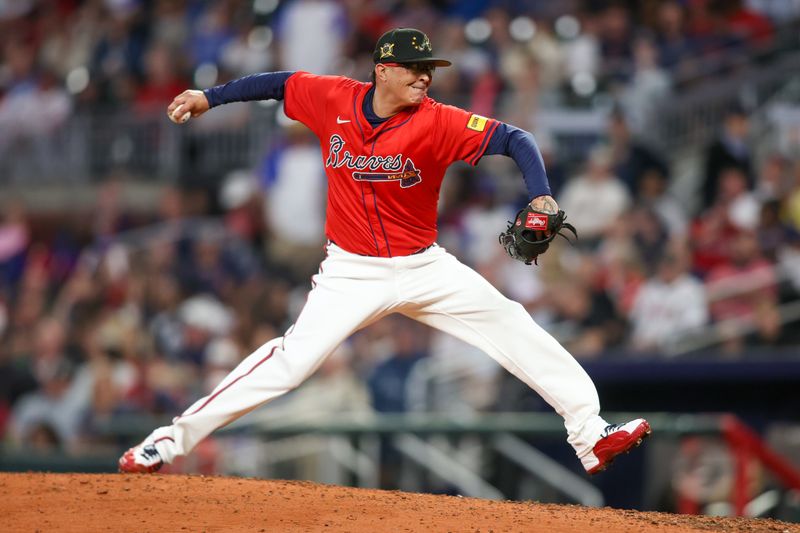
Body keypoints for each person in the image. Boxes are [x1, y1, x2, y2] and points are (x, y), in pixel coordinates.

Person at [119, 28, 650, 477]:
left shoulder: (438, 120)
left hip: (424, 265)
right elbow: (278, 84)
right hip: (350, 272)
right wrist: (208, 97)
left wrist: (540, 193)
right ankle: (168, 441)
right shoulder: (333, 98)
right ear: (383, 70)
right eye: (414, 67)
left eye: (430, 69)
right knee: (290, 363)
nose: (425, 76)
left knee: (512, 323)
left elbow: (516, 139)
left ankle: (590, 432)